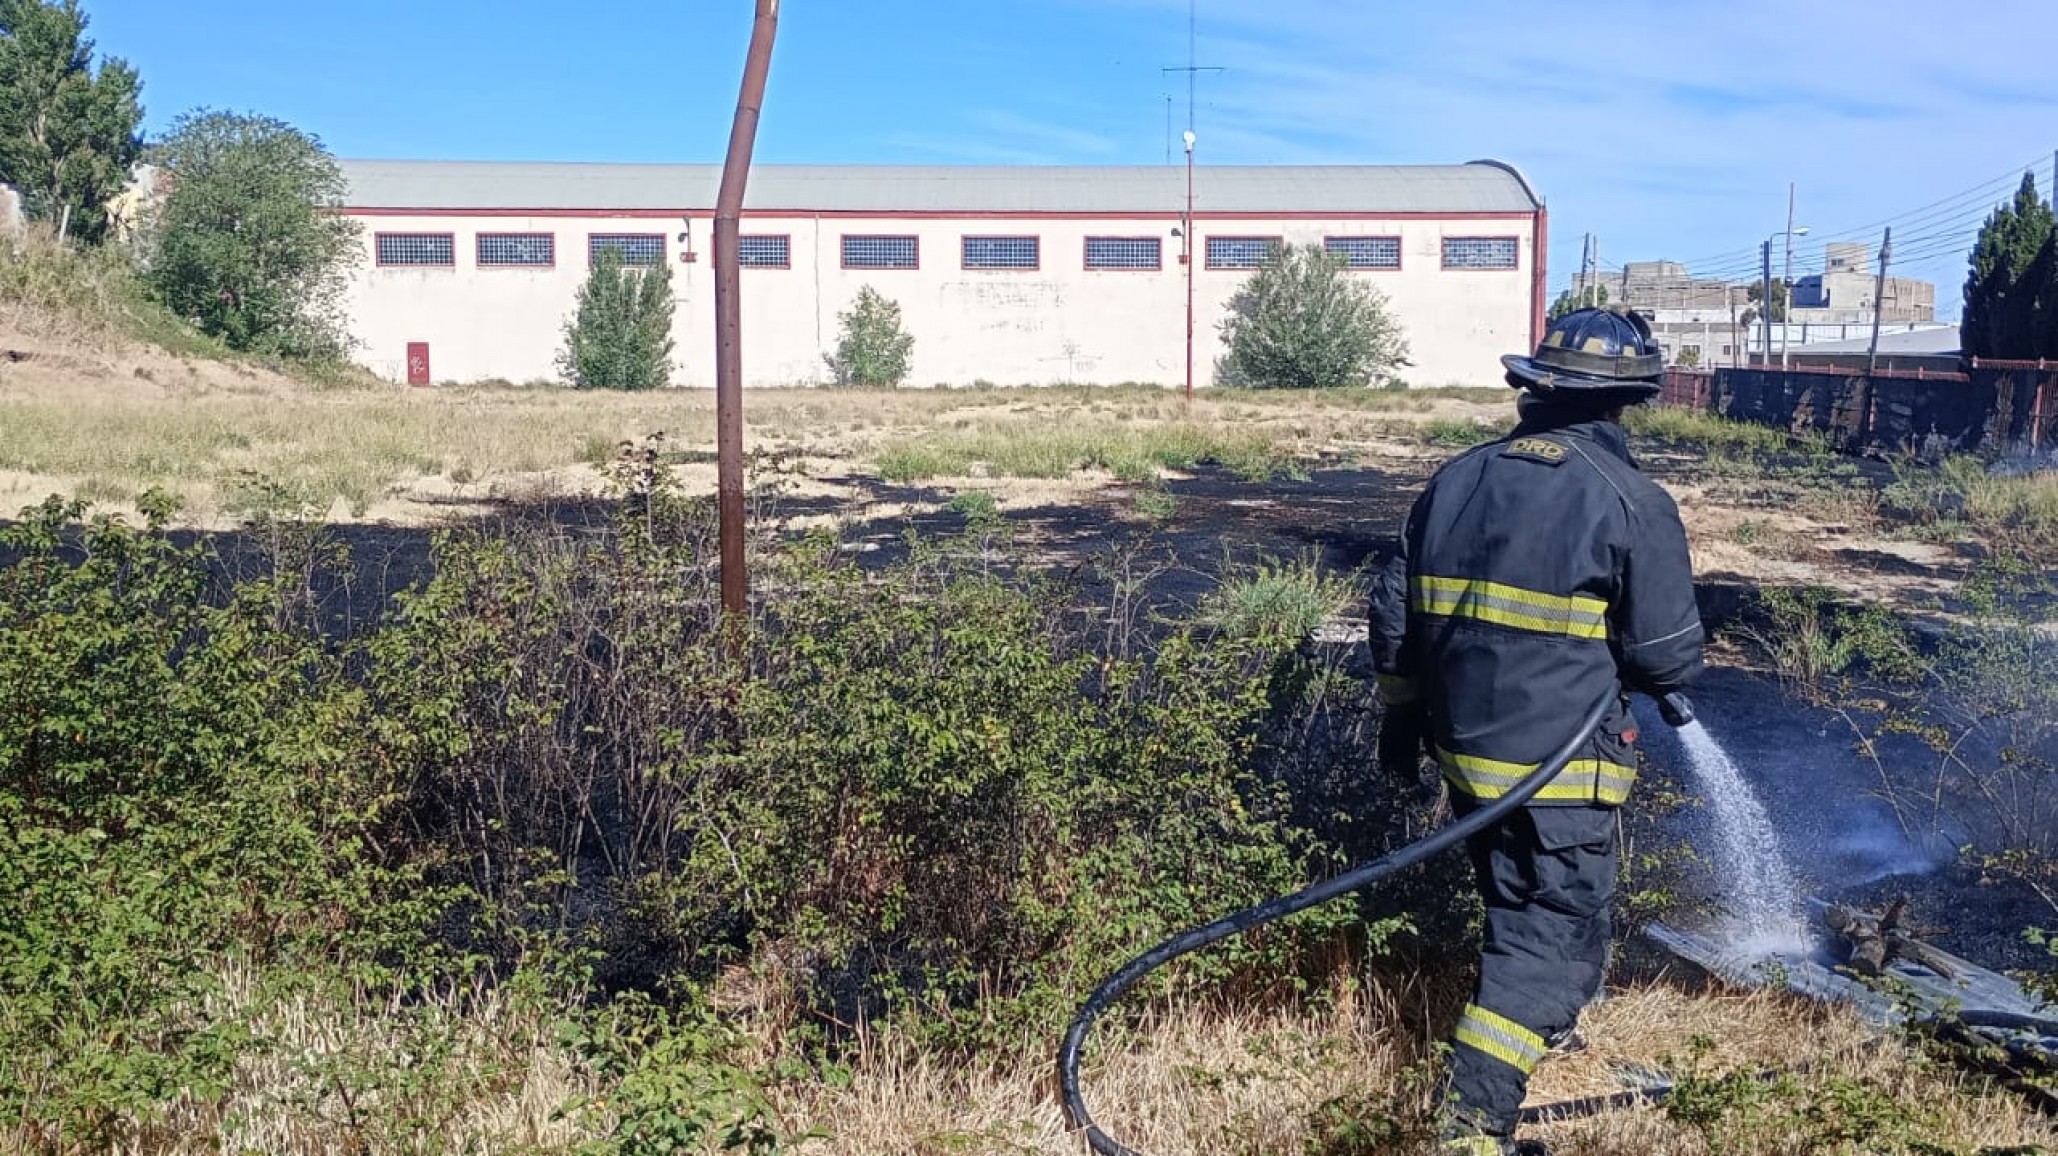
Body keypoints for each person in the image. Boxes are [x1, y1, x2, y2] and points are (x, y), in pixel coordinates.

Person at [1366, 307, 1705, 1156]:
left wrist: (1401, 719)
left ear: (1535, 388)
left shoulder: (1455, 478)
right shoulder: (1631, 499)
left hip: (1466, 760)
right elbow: (1666, 657)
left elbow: (1393, 619)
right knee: (1553, 949)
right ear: (1627, 400)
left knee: (1513, 913)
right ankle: (1472, 1130)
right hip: (1561, 770)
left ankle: (1515, 1038)